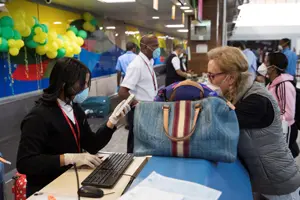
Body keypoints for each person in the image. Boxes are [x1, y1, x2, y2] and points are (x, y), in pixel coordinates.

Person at [17, 58, 131, 197]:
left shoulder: (74, 108)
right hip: (47, 188)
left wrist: (112, 121)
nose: (85, 88)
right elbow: (25, 162)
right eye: (82, 84)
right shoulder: (38, 116)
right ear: (64, 83)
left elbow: (92, 145)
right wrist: (68, 158)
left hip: (71, 180)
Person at [207, 46, 300, 199]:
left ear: (230, 78)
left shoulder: (256, 101)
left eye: (212, 76)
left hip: (278, 184)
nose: (210, 80)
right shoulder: (239, 94)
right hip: (262, 180)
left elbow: (216, 122)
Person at [118, 35, 159, 153]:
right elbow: (122, 92)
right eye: (154, 46)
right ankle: (129, 165)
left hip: (148, 110)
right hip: (139, 110)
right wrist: (138, 104)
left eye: (158, 45)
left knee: (144, 142)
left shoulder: (148, 62)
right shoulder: (136, 65)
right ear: (144, 47)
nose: (157, 48)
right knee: (135, 143)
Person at [266, 52, 299, 158]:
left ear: (273, 68)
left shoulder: (284, 85)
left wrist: (271, 120)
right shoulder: (271, 84)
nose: (263, 65)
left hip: (285, 128)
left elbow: (288, 114)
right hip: (275, 128)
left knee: (284, 159)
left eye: (266, 63)